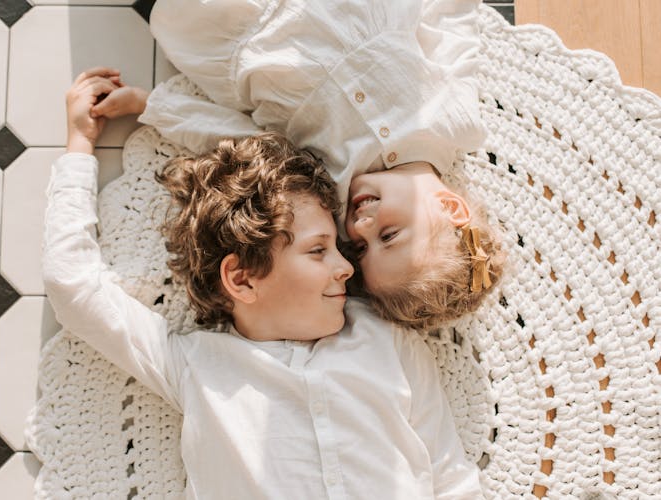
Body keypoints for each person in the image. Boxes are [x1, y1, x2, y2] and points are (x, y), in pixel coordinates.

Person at [44, 67, 483, 498]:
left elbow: (451, 480)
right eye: (318, 250)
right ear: (241, 278)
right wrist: (79, 148)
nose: (347, 268)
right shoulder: (197, 366)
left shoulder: (390, 342)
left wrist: (152, 106)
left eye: (340, 248)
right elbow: (74, 286)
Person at [91, 0, 506, 331]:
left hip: (239, 33)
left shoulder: (326, 187)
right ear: (451, 207)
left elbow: (239, 140)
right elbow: (449, 28)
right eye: (389, 234)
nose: (360, 226)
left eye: (360, 248)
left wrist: (153, 106)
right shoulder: (456, 125)